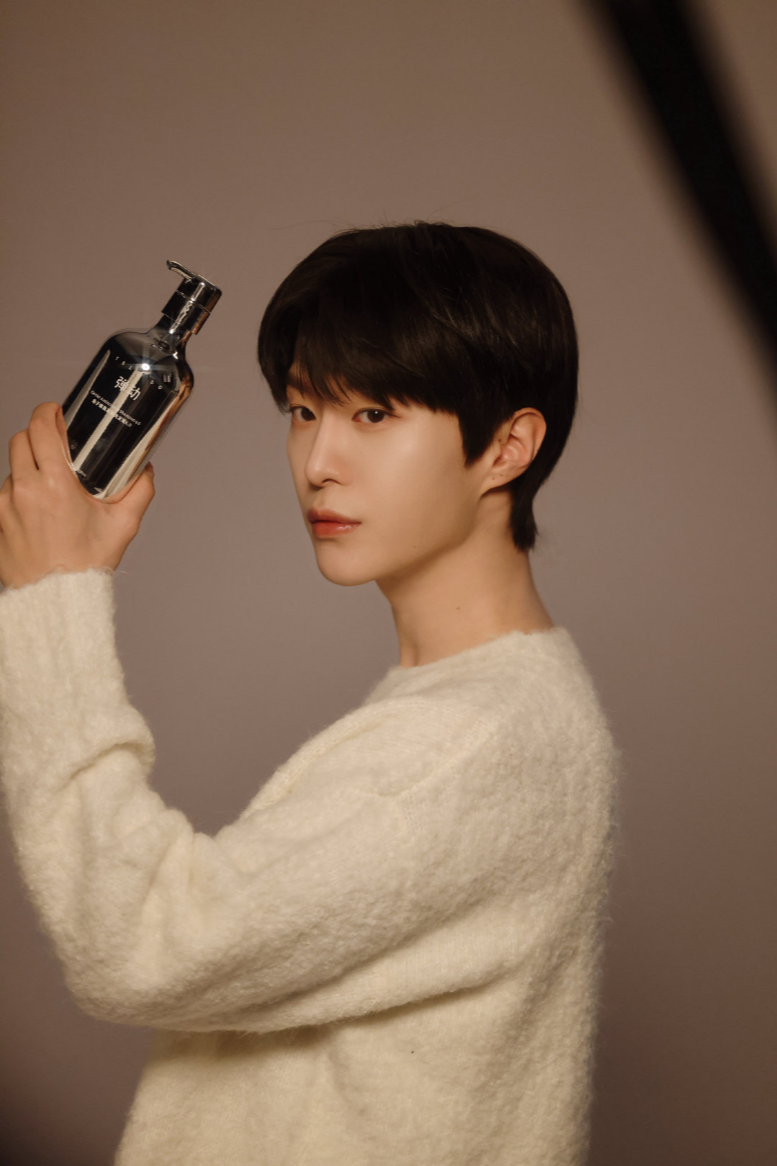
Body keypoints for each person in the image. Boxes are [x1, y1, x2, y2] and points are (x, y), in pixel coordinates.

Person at [0, 221, 621, 1166]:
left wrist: (53, 599)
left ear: (507, 447)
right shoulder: (498, 707)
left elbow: (143, 945)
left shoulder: (467, 746)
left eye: (372, 414)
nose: (319, 461)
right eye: (302, 409)